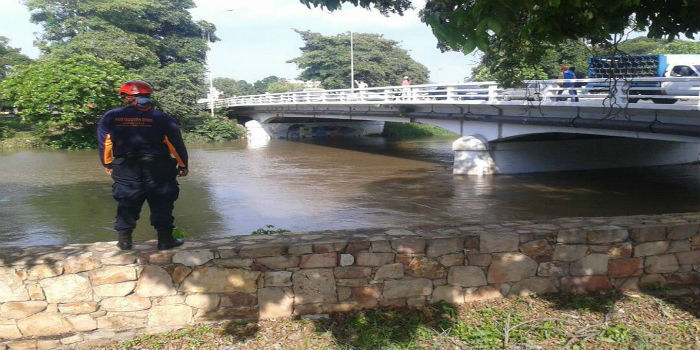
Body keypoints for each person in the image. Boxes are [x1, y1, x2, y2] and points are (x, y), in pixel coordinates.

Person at [97, 80, 189, 251]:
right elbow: (175, 144)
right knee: (162, 202)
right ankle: (165, 240)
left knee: (127, 201)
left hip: (125, 166)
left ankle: (124, 242)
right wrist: (183, 165)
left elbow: (106, 144)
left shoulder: (111, 117)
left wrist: (108, 163)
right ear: (148, 96)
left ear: (126, 98)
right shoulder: (162, 118)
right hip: (158, 166)